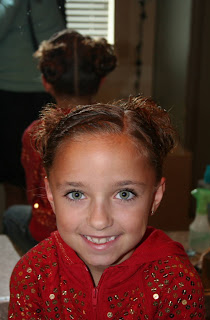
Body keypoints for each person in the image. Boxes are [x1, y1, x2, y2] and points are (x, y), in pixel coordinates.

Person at [8, 96, 206, 319]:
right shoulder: (32, 276)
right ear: (51, 195)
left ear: (155, 196)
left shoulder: (176, 284)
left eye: (124, 194)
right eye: (76, 194)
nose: (99, 221)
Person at [3, 29, 117, 253]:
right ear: (101, 80)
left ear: (46, 82)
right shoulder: (116, 130)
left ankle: (39, 267)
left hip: (52, 237)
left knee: (11, 215)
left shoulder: (36, 133)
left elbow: (35, 198)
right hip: (103, 232)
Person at [0, 0, 66, 207]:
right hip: (7, 92)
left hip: (44, 90)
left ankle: (38, 231)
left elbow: (59, 38)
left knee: (42, 176)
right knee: (13, 178)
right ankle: (16, 229)